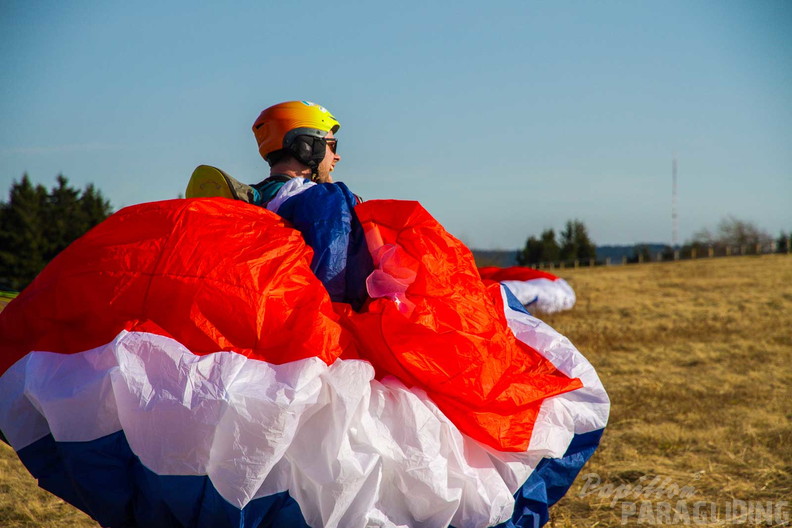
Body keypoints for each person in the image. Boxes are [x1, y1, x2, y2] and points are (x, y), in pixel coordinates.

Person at [185, 100, 342, 207]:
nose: (337, 156)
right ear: (308, 147)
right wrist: (330, 196)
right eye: (331, 146)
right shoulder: (316, 200)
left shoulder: (253, 200)